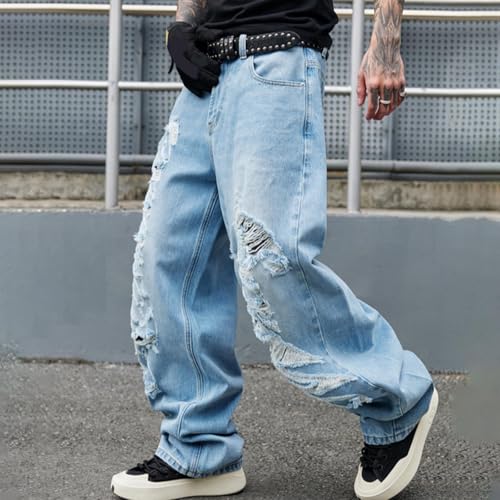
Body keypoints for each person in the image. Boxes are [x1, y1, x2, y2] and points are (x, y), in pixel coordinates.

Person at [111, 0, 439, 499]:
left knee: (271, 258)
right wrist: (181, 27)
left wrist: (385, 46)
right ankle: (198, 447)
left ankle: (399, 401)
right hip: (206, 72)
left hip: (277, 60)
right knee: (167, 256)